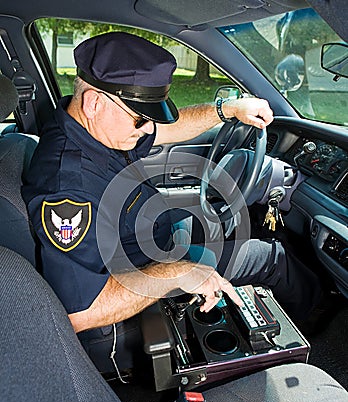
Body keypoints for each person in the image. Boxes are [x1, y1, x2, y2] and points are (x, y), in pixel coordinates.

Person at [22, 32, 322, 372]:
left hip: (151, 245)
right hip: (133, 293)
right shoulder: (68, 187)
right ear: (94, 102)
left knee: (215, 227)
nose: (148, 129)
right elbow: (80, 312)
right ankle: (318, 344)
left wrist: (227, 109)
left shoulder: (90, 125)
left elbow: (167, 130)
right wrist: (178, 273)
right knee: (271, 258)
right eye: (140, 119)